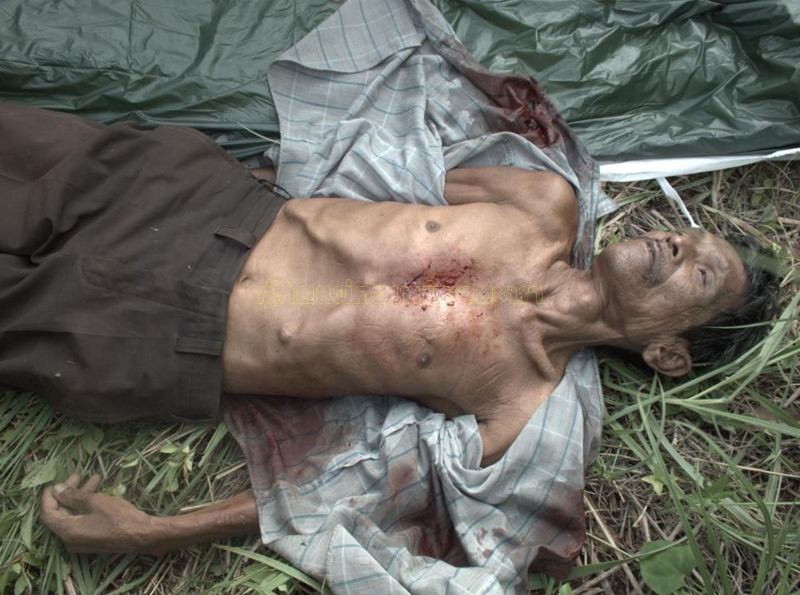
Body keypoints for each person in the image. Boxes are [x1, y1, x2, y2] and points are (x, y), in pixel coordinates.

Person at [0, 105, 774, 556]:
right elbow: (380, 166)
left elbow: (357, 497)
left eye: (699, 273)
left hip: (154, 331)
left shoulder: (520, 406)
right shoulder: (542, 204)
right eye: (688, 234)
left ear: (667, 354)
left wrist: (158, 531)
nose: (676, 242)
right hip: (189, 198)